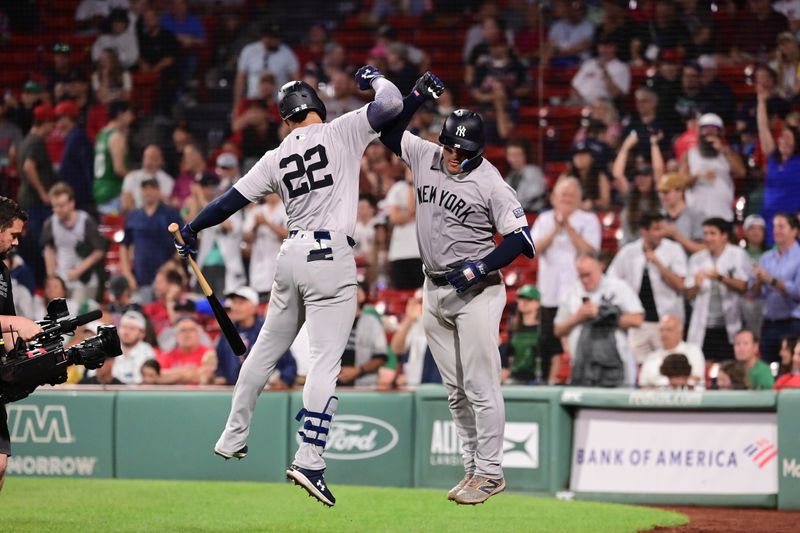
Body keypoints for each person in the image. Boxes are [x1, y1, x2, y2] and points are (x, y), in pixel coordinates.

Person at [173, 65, 403, 507]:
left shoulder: (276, 155)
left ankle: (232, 434)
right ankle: (310, 458)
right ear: (316, 106)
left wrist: (191, 228)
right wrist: (372, 78)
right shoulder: (341, 130)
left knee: (263, 350)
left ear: (285, 118)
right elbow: (391, 104)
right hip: (330, 257)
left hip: (290, 255)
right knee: (324, 362)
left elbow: (227, 203)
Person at [377, 89, 535, 503]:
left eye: (461, 149)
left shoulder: (491, 182)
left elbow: (521, 240)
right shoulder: (429, 155)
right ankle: (472, 468)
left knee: (481, 386)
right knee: (455, 390)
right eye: (448, 144)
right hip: (433, 288)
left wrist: (482, 266)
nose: (451, 154)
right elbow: (387, 132)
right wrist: (412, 97)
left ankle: (491, 471)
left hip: (478, 292)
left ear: (478, 149)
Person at [531, 177, 601, 376]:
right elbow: (533, 249)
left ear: (579, 198)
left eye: (572, 195)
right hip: (549, 294)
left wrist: (568, 228)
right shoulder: (544, 219)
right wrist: (556, 229)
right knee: (549, 344)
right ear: (554, 198)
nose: (567, 199)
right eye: (563, 194)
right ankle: (548, 382)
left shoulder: (589, 220)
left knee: (577, 341)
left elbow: (591, 251)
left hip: (577, 294)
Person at [0, 196, 44, 493]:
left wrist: (33, 355)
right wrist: (17, 324)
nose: (16, 242)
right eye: (13, 234)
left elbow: (10, 328)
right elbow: (12, 323)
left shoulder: (3, 272)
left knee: (0, 464)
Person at [555, 251, 644, 387]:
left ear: (600, 266)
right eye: (581, 276)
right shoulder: (572, 292)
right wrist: (578, 317)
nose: (585, 280)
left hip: (614, 365)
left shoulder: (618, 288)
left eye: (588, 274)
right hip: (582, 365)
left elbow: (637, 319)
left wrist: (602, 314)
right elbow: (558, 330)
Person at [607, 213, 687, 362]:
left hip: (666, 322)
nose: (661, 233)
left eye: (662, 228)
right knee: (637, 367)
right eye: (656, 229)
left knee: (668, 364)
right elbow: (612, 281)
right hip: (639, 324)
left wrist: (658, 263)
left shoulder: (674, 250)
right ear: (644, 231)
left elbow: (681, 284)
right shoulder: (628, 252)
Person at [686, 218, 753, 361]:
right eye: (705, 234)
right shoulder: (696, 259)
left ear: (724, 236)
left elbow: (744, 286)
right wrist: (697, 286)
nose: (707, 238)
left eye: (712, 233)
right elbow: (688, 295)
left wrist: (721, 278)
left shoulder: (737, 255)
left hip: (730, 326)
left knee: (729, 370)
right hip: (704, 327)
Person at [214, 286, 296, 388]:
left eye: (241, 303)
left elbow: (289, 363)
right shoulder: (227, 332)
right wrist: (220, 376)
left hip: (263, 391)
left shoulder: (269, 332)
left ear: (254, 307)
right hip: (234, 390)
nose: (235, 307)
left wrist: (283, 379)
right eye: (234, 302)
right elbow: (220, 361)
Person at [41, 182, 106, 303]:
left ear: (71, 203)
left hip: (84, 279)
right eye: (54, 206)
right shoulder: (50, 223)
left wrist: (79, 270)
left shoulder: (86, 221)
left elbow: (99, 250)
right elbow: (49, 250)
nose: (58, 210)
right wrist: (51, 277)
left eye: (61, 206)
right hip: (61, 279)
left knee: (78, 313)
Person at [750, 213, 800, 364]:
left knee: (793, 367)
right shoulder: (766, 258)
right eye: (774, 227)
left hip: (792, 323)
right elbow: (754, 293)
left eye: (781, 226)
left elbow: (797, 292)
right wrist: (758, 282)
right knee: (767, 366)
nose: (776, 230)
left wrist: (771, 280)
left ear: (794, 231)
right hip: (769, 323)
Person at [120, 178, 183, 294]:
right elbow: (124, 245)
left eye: (152, 188)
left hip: (166, 274)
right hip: (140, 274)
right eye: (145, 189)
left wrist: (173, 262)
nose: (148, 192)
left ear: (158, 191)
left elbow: (183, 241)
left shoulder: (171, 214)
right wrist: (126, 273)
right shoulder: (133, 216)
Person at [17, 104, 56, 286]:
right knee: (40, 244)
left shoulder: (25, 140)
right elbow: (28, 167)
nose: (52, 127)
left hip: (27, 199)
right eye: (51, 123)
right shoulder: (36, 141)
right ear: (45, 122)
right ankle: (42, 282)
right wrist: (43, 193)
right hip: (35, 202)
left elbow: (12, 157)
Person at [679, 113, 744, 222]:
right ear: (699, 132)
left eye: (713, 129)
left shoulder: (728, 153)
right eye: (705, 129)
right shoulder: (689, 155)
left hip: (723, 214)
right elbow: (681, 183)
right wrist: (698, 176)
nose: (709, 132)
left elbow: (741, 172)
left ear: (720, 133)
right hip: (697, 215)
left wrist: (723, 150)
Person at [757, 84, 800, 245]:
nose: (784, 140)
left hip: (791, 219)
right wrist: (761, 102)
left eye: (789, 137)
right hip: (769, 218)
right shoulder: (773, 159)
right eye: (782, 137)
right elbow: (763, 129)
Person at [234, 23, 299, 114]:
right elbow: (240, 79)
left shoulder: (287, 53)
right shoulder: (249, 51)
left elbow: (296, 80)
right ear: (263, 37)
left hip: (277, 104)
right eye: (272, 37)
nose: (275, 41)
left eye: (277, 37)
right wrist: (237, 104)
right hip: (252, 102)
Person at [337, 281, 388, 387]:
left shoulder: (372, 322)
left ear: (361, 296)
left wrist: (358, 371)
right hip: (333, 385)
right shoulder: (332, 321)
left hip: (362, 386)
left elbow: (381, 357)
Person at [638, 315, 706, 389]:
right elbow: (643, 385)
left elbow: (695, 378)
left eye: (669, 330)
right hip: (657, 399)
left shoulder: (693, 351)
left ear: (680, 333)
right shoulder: (651, 357)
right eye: (662, 330)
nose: (664, 334)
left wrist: (665, 387)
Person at [242, 193, 287, 299]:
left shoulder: (287, 209)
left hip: (281, 260)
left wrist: (267, 223)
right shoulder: (256, 211)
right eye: (268, 192)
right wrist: (256, 226)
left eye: (273, 191)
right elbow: (246, 238)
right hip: (259, 262)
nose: (270, 195)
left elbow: (290, 235)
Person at [54, 101, 94, 216]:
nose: (57, 122)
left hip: (80, 196)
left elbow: (87, 167)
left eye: (59, 118)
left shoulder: (78, 137)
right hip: (73, 195)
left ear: (67, 118)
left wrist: (90, 196)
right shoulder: (72, 137)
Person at [93, 101, 133, 215]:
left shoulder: (102, 134)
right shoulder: (116, 137)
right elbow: (119, 169)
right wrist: (134, 178)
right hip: (113, 191)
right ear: (121, 114)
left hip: (99, 188)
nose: (132, 117)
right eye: (129, 113)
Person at [502, 284, 547, 384]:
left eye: (528, 299)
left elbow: (554, 356)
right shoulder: (513, 328)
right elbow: (510, 355)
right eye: (521, 299)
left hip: (538, 379)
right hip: (515, 377)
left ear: (537, 303)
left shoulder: (545, 329)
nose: (523, 303)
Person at [156, 316, 216, 385]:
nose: (187, 334)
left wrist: (172, 375)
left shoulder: (209, 353)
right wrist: (185, 372)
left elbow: (206, 377)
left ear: (198, 334)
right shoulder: (167, 355)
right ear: (176, 336)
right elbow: (156, 376)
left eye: (191, 330)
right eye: (183, 330)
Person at [657, 173, 705, 256]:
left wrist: (676, 235)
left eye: (666, 192)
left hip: (689, 264)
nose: (662, 196)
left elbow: (703, 249)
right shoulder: (658, 215)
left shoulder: (696, 215)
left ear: (679, 192)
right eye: (660, 192)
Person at [121, 145, 174, 212]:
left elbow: (167, 203)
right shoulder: (131, 177)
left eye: (153, 158)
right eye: (146, 157)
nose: (149, 161)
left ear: (160, 160)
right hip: (135, 216)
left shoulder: (168, 180)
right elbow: (126, 205)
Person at [503, 138, 546, 212]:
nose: (513, 159)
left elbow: (534, 196)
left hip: (531, 213)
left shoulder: (533, 172)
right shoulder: (510, 175)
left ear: (525, 155)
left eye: (517, 155)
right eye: (510, 155)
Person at [114, 310, 155, 384]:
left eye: (132, 329)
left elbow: (146, 381)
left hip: (137, 393)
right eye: (124, 327)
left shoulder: (147, 351)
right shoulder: (109, 348)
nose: (126, 332)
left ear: (142, 334)